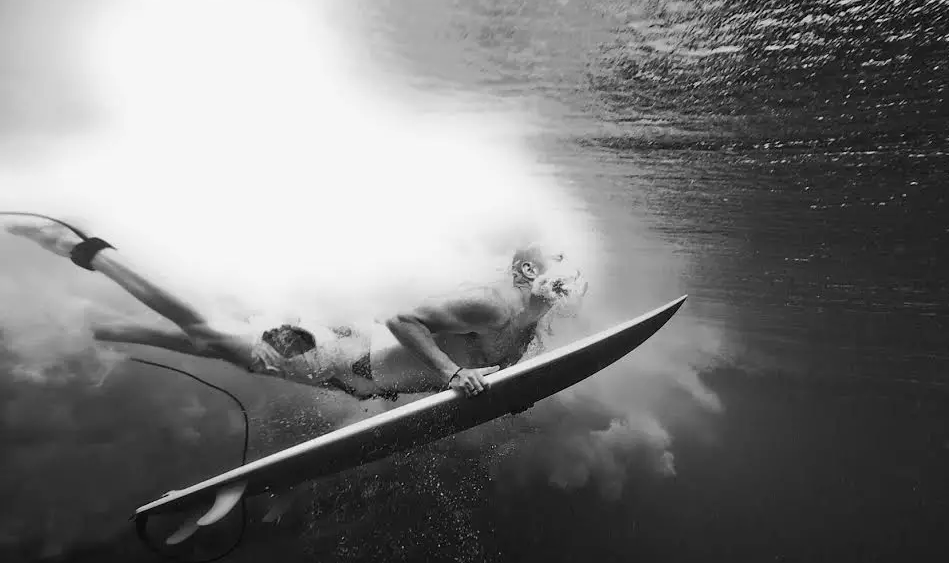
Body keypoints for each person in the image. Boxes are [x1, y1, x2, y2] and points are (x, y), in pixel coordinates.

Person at [3, 217, 585, 399]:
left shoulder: (535, 319)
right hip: (335, 353)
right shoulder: (491, 302)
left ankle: (90, 323)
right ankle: (84, 249)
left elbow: (494, 370)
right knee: (213, 333)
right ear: (528, 272)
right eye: (560, 261)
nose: (572, 273)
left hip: (347, 370)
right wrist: (453, 374)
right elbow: (402, 319)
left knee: (212, 344)